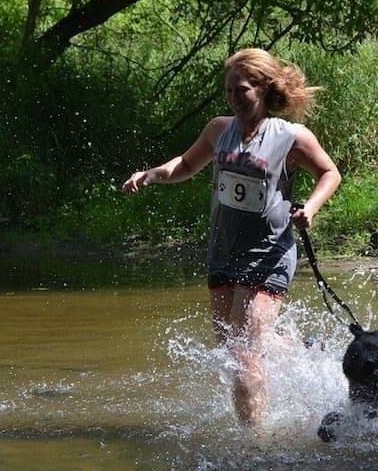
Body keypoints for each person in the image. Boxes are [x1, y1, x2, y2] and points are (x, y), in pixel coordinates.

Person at [122, 48, 341, 427]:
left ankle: (253, 443)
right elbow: (187, 165)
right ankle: (299, 348)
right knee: (230, 350)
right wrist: (153, 173)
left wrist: (310, 207)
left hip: (268, 252)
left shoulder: (291, 137)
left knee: (243, 356)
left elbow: (330, 173)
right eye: (229, 91)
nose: (235, 98)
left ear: (263, 89)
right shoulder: (218, 130)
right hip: (223, 251)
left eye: (242, 90)